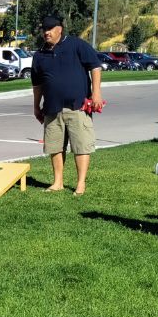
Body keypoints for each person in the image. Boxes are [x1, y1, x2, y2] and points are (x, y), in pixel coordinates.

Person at [31, 15, 102, 196]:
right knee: (54, 146)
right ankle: (58, 182)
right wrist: (36, 106)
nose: (46, 33)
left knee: (81, 146)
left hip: (77, 106)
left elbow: (95, 66)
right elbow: (37, 84)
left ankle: (80, 184)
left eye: (50, 29)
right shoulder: (39, 55)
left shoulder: (77, 45)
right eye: (44, 30)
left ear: (59, 29)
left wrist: (96, 93)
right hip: (52, 108)